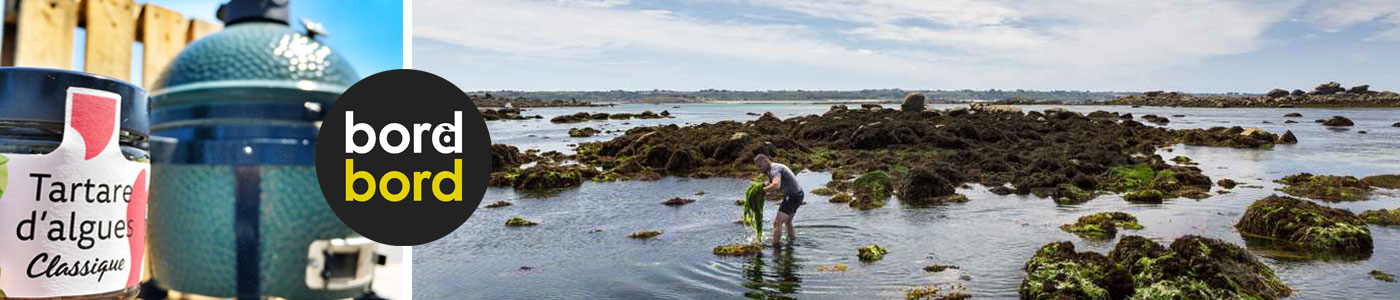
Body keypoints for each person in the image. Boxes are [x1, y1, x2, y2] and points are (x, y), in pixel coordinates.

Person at [754, 154, 802, 246]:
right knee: (788, 222)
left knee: (777, 223)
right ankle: (792, 243)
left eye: (760, 166)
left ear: (765, 161)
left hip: (792, 197)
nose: (760, 169)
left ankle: (776, 247)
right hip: (798, 194)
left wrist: (762, 191)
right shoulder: (772, 168)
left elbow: (776, 185)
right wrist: (760, 186)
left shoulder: (774, 170)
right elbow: (770, 182)